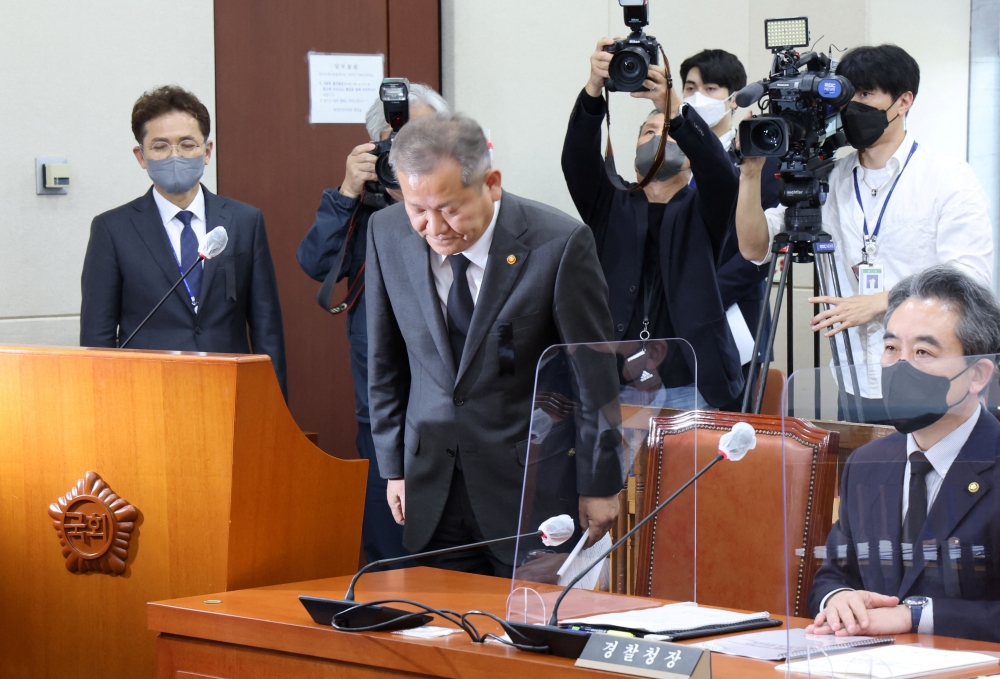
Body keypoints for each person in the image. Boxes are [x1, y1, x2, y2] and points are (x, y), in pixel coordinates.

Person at [366, 113, 623, 575]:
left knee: (529, 636)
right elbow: (385, 362)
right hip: (432, 485)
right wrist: (393, 468)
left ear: (492, 183)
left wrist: (601, 483)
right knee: (441, 632)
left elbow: (594, 375)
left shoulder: (557, 243)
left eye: (449, 208)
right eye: (417, 209)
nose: (433, 226)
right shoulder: (386, 233)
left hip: (530, 486)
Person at [735, 45, 993, 420]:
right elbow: (754, 247)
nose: (853, 106)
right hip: (855, 379)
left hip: (931, 380)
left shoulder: (948, 177)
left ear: (904, 101)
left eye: (866, 94)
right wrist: (750, 174)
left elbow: (969, 278)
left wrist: (880, 302)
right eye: (848, 94)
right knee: (862, 476)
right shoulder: (830, 179)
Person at [297, 83, 448, 567]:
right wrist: (347, 193)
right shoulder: (360, 204)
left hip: (450, 403)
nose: (406, 152)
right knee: (388, 545)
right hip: (381, 405)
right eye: (393, 139)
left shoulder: (460, 207)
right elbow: (316, 264)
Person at [808, 265, 1000, 642]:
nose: (900, 365)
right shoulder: (867, 463)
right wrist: (839, 598)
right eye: (892, 348)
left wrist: (915, 616)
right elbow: (835, 572)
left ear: (977, 375)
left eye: (923, 351)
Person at [561, 38, 743, 409]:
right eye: (648, 132)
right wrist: (594, 88)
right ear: (633, 152)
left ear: (691, 155)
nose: (658, 138)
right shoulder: (610, 201)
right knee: (614, 469)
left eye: (670, 132)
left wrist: (673, 108)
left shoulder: (705, 206)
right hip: (612, 381)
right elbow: (577, 158)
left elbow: (721, 174)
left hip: (689, 381)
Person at [80, 86, 286, 395]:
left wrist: (274, 404)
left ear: (207, 152)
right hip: (146, 392)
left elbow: (266, 325)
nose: (175, 156)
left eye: (187, 144)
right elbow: (98, 335)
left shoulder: (245, 221)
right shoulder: (112, 229)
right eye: (160, 146)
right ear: (141, 156)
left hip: (228, 388)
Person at [681, 48, 780, 410]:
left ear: (733, 98)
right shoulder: (674, 157)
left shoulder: (760, 161)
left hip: (734, 314)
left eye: (710, 88)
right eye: (690, 87)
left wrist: (698, 299)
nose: (697, 97)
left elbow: (757, 254)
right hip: (677, 325)